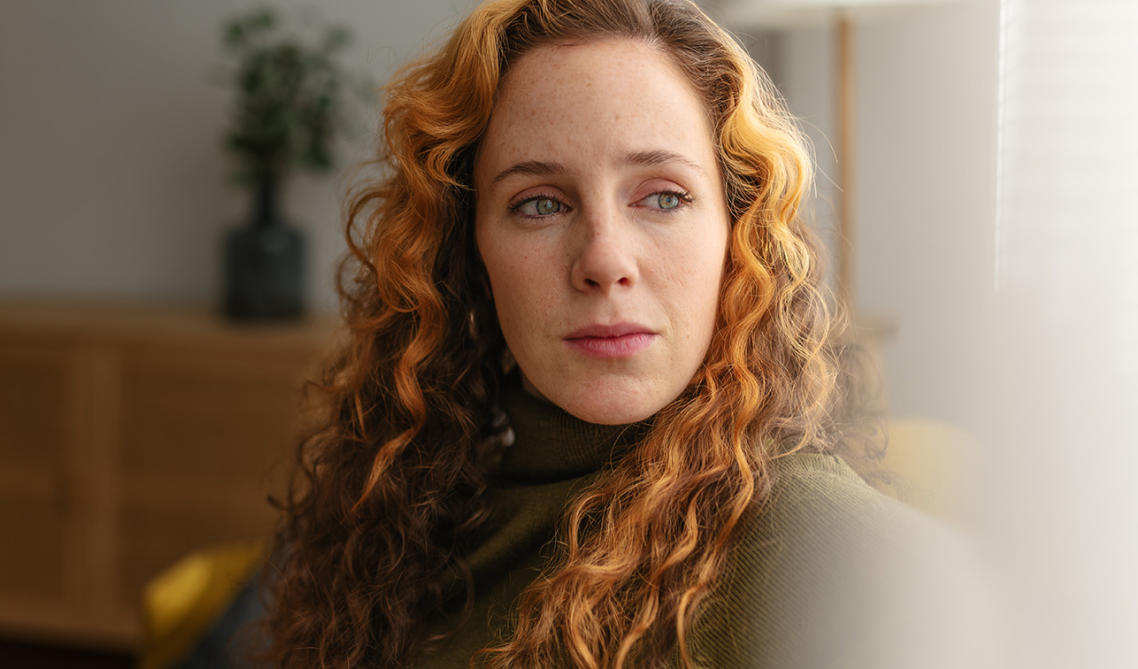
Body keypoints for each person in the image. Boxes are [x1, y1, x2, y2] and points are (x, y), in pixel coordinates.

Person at [257, 1, 987, 667]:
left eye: (663, 196)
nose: (605, 259)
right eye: (540, 203)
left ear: (737, 237)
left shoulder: (828, 548)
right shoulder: (405, 512)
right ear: (467, 252)